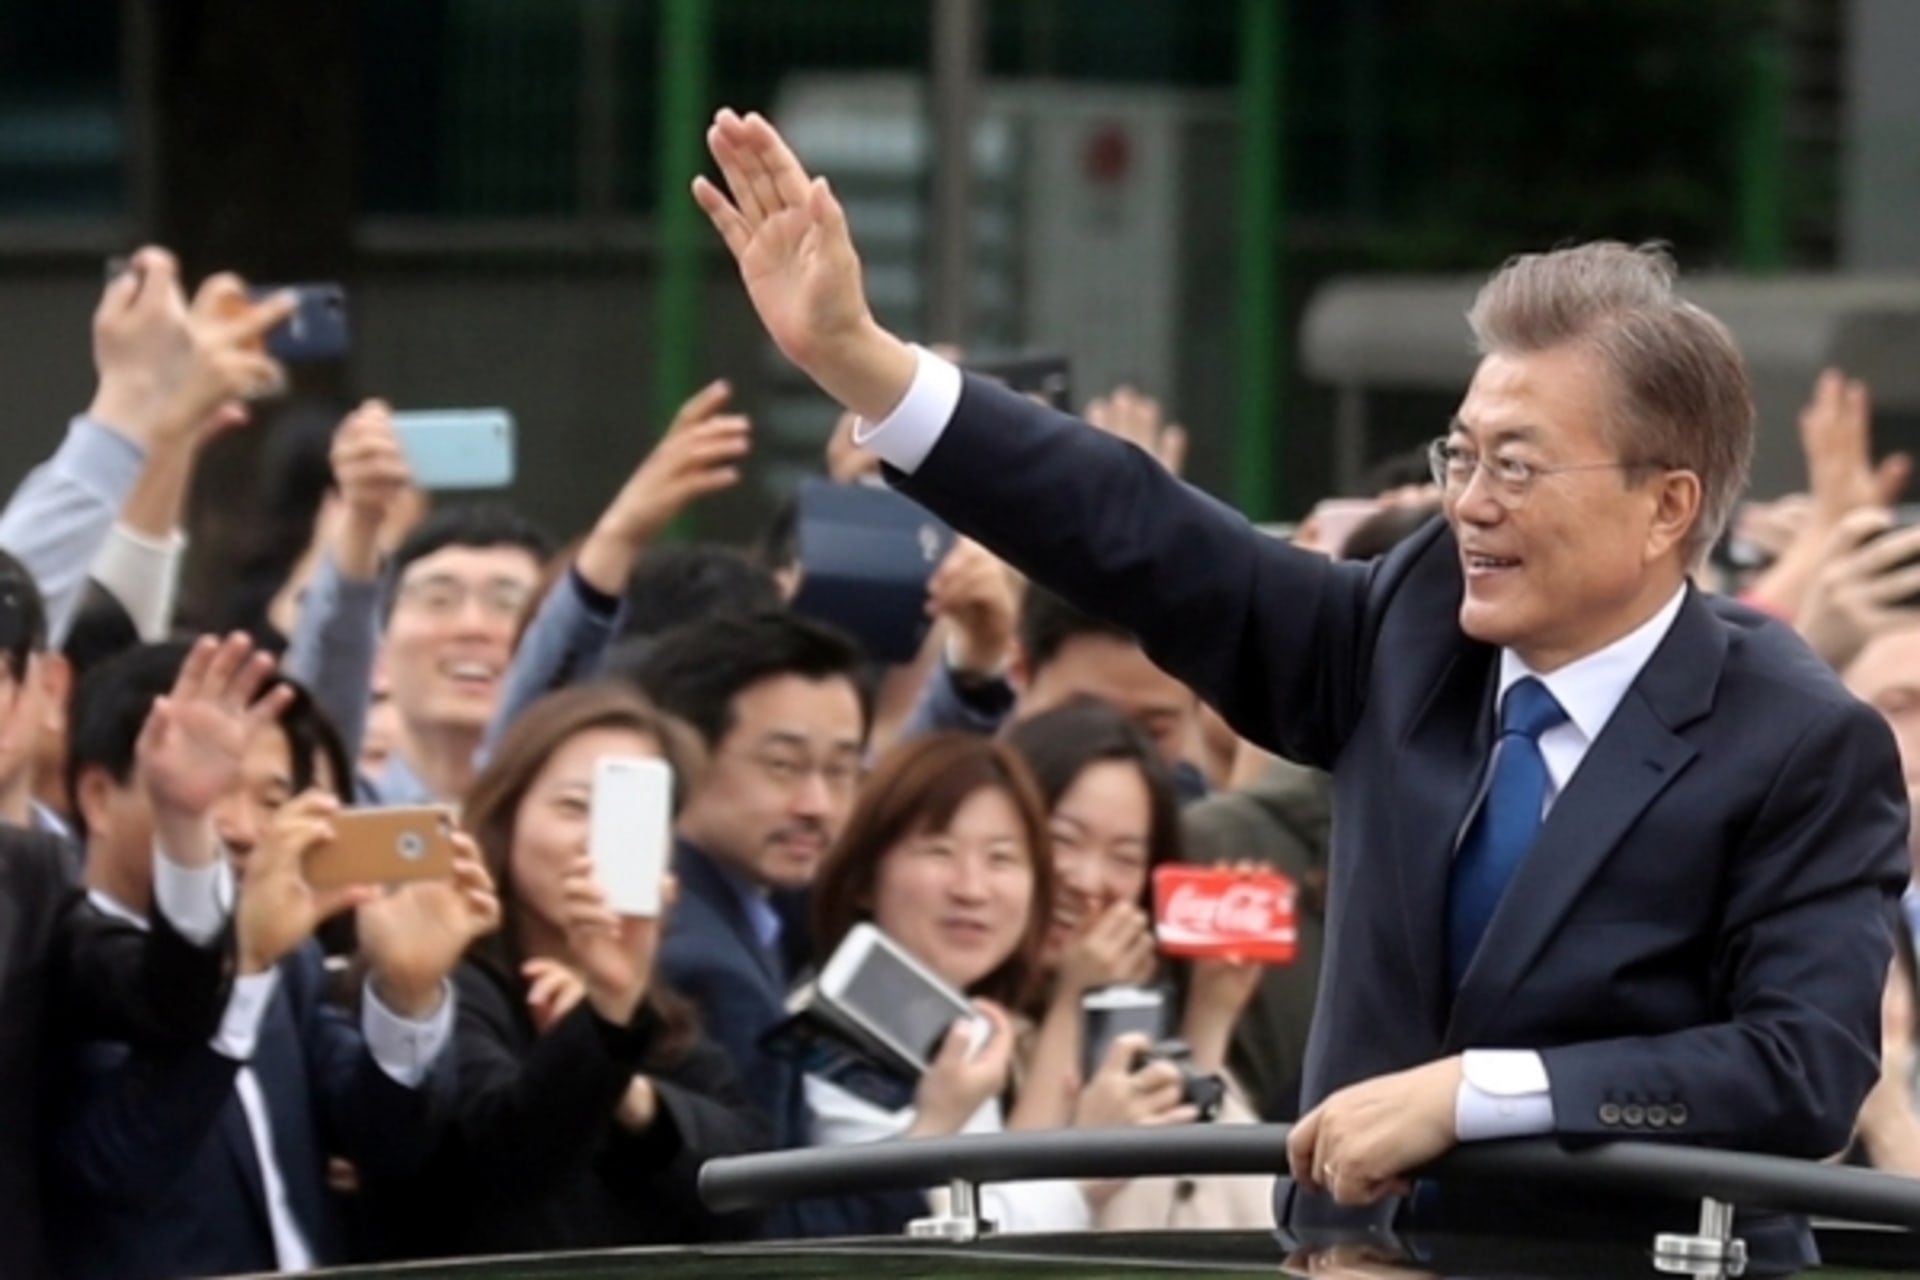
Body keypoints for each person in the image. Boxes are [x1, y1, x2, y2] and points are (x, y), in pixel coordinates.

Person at [692, 110, 1909, 1271]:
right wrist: (865, 362)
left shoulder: (1797, 738)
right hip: (1341, 1261)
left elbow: (1799, 1070)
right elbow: (1144, 532)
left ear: (1669, 505)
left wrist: (1478, 1095)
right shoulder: (1414, 622)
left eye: (1518, 464)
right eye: (1461, 454)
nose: (1471, 500)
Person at [370, 683, 768, 1257]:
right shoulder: (440, 983)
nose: (593, 842)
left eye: (629, 818)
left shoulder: (659, 1013)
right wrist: (600, 1024)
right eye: (573, 807)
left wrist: (632, 1091)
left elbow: (748, 1189)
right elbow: (508, 1160)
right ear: (509, 813)